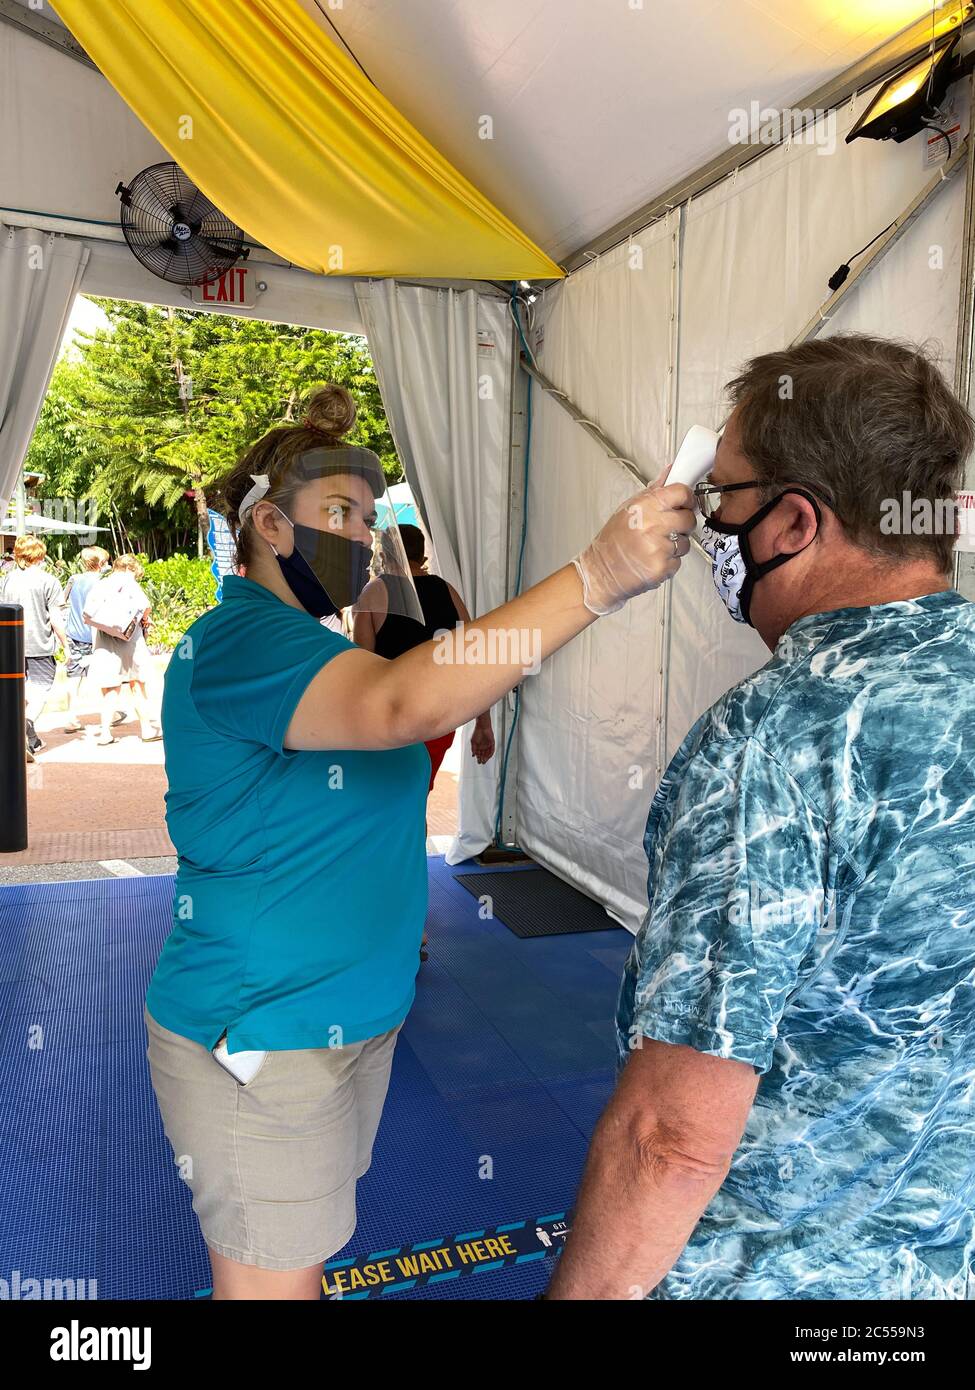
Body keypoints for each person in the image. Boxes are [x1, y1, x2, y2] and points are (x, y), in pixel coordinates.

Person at [143, 383, 695, 1301]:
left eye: (369, 515)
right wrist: (595, 577)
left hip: (345, 1019)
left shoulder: (317, 647)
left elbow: (412, 695)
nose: (363, 536)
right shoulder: (238, 638)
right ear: (272, 527)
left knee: (302, 1254)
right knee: (272, 1283)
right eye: (340, 513)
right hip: (261, 1030)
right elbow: (401, 705)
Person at [547, 334, 975, 1301]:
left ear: (789, 523)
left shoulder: (775, 737)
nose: (705, 527)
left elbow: (672, 1135)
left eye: (720, 499)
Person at [355, 523, 496, 785]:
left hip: (394, 717)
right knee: (417, 792)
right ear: (423, 557)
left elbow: (362, 668)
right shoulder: (447, 591)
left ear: (384, 555)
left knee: (391, 795)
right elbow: (475, 658)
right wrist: (483, 723)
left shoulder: (373, 593)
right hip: (439, 719)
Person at [0, 534, 68, 761]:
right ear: (40, 554)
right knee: (40, 690)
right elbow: (56, 617)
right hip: (39, 644)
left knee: (18, 691)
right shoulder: (48, 581)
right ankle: (26, 725)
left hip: (10, 644)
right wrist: (65, 644)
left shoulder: (7, 580)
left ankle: (30, 738)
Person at [85, 554, 161, 746]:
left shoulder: (102, 583)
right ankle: (146, 729)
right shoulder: (129, 582)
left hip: (106, 637)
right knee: (137, 683)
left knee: (110, 687)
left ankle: (104, 732)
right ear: (130, 568)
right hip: (130, 638)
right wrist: (145, 620)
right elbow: (146, 606)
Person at [62, 546, 126, 734]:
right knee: (104, 676)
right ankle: (109, 715)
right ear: (101, 563)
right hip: (95, 634)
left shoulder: (74, 579)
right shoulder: (103, 582)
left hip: (73, 633)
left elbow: (62, 601)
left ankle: (71, 718)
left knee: (74, 677)